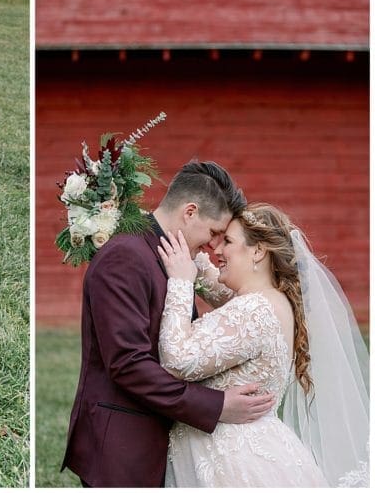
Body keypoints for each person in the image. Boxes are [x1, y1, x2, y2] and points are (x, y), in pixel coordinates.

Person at [62, 161, 274, 488]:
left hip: (155, 436)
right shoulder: (126, 256)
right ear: (189, 212)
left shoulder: (168, 255)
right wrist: (217, 406)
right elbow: (128, 364)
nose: (213, 246)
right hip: (122, 445)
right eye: (214, 233)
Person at [157, 203, 369, 487]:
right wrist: (191, 253)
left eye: (228, 242)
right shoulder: (273, 302)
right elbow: (217, 286)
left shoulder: (254, 311)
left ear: (258, 251)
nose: (217, 250)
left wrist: (181, 283)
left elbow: (178, 358)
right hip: (258, 447)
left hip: (231, 461)